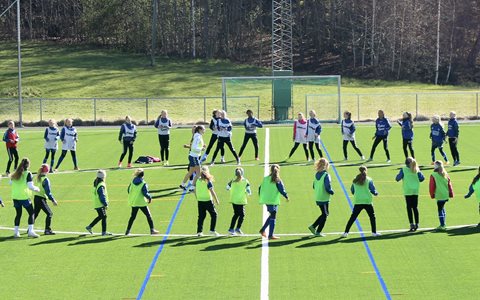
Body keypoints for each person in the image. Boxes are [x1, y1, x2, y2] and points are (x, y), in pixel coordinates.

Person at [341, 166, 380, 237]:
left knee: (353, 217)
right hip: (367, 201)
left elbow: (352, 191)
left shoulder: (355, 180)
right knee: (372, 217)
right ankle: (374, 232)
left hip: (358, 201)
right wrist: (376, 193)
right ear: (366, 171)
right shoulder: (369, 179)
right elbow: (372, 190)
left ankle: (345, 232)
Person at [10, 158, 41, 238]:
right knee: (31, 213)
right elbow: (30, 186)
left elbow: (10, 183)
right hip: (24, 197)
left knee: (18, 214)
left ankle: (16, 232)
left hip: (15, 197)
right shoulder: (28, 173)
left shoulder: (15, 173)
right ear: (28, 165)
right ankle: (30, 231)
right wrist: (37, 189)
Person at [125, 169, 159, 235]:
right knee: (148, 215)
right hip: (141, 202)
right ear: (143, 176)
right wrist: (149, 198)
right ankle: (152, 230)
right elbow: (145, 193)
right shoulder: (143, 183)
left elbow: (128, 190)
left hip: (134, 202)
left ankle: (127, 231)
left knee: (132, 217)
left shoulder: (132, 182)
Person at [259, 164, 289, 240]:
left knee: (272, 215)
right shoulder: (277, 180)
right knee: (273, 215)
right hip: (273, 200)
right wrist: (286, 196)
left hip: (266, 199)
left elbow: (260, 188)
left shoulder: (265, 179)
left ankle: (263, 230)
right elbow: (281, 189)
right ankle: (270, 234)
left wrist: (261, 195)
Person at [395, 157, 425, 232]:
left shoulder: (404, 169)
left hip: (407, 190)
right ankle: (417, 223)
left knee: (409, 207)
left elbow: (397, 178)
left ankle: (411, 223)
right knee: (415, 207)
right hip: (415, 190)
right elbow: (422, 179)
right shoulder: (416, 169)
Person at [308, 158, 334, 237]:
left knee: (325, 213)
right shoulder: (326, 175)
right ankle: (317, 231)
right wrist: (331, 191)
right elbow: (327, 186)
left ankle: (313, 227)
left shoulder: (317, 174)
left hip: (318, 196)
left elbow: (313, 185)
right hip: (324, 197)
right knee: (325, 214)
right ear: (326, 165)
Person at [33, 164, 58, 235]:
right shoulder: (46, 180)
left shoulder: (37, 177)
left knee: (35, 214)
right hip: (41, 198)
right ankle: (47, 230)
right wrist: (53, 200)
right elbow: (48, 192)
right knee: (49, 213)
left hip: (36, 197)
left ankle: (30, 228)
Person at [195, 166, 220, 237]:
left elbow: (195, 190)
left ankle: (199, 231)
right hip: (208, 200)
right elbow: (212, 191)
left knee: (201, 216)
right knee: (214, 215)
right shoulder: (208, 181)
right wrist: (216, 199)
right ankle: (212, 230)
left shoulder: (198, 180)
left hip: (200, 200)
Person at [429, 161, 454, 231]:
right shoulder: (445, 174)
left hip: (439, 195)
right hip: (445, 194)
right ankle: (444, 223)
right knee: (442, 208)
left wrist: (432, 194)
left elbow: (432, 186)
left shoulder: (433, 175)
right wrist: (451, 193)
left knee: (440, 209)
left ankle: (442, 225)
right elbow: (450, 185)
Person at [226, 167, 251, 235]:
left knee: (236, 214)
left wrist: (230, 183)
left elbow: (227, 188)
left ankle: (231, 229)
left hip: (234, 200)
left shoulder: (232, 181)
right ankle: (237, 228)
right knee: (242, 215)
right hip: (241, 200)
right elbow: (249, 190)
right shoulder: (245, 181)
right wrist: (248, 192)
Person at [180, 125, 205, 191]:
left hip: (193, 156)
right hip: (194, 156)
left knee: (190, 172)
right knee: (198, 173)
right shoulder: (198, 137)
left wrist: (202, 146)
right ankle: (192, 187)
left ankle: (182, 184)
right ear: (200, 130)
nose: (204, 130)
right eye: (203, 129)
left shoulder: (198, 136)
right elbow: (194, 147)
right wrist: (201, 148)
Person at [86, 170, 111, 236]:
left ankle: (89, 227)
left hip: (96, 203)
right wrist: (105, 204)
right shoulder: (101, 185)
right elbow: (102, 196)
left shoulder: (96, 182)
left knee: (101, 216)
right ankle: (104, 232)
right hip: (100, 204)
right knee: (104, 217)